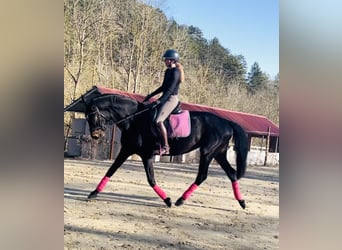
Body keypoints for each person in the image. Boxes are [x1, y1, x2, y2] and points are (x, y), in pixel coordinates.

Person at [143, 49, 185, 155]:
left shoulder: (176, 72)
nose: (164, 61)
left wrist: (160, 101)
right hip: (165, 97)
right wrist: (151, 95)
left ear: (172, 60)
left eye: (166, 59)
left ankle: (166, 147)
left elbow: (170, 89)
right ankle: (155, 143)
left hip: (171, 99)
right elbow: (163, 87)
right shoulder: (168, 71)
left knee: (159, 120)